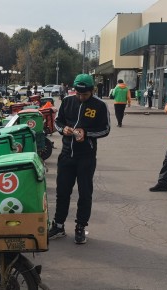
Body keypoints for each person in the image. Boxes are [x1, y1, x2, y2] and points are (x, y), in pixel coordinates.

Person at [48, 74, 111, 244]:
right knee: (62, 192)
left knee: (85, 193)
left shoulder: (99, 106)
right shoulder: (67, 101)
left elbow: (105, 129)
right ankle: (59, 225)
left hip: (86, 157)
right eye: (78, 94)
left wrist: (87, 134)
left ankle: (80, 226)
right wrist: (64, 130)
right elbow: (58, 122)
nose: (81, 97)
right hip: (67, 155)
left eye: (85, 94)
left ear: (92, 91)